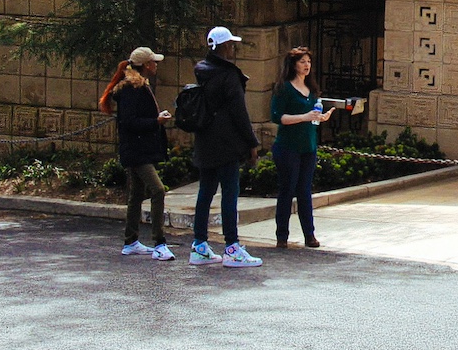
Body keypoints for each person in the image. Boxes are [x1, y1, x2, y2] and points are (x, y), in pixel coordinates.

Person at [189, 26, 263, 268]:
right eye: (230, 44)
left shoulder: (203, 71)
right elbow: (239, 113)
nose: (232, 48)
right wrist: (251, 143)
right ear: (222, 46)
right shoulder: (229, 75)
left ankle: (199, 245)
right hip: (227, 143)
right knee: (230, 194)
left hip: (206, 141)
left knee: (205, 193)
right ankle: (232, 247)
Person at [99, 46, 174, 261]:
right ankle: (159, 243)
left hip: (137, 148)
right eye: (153, 62)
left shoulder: (137, 85)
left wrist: (155, 119)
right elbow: (129, 122)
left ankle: (130, 241)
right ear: (145, 65)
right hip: (135, 150)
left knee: (137, 195)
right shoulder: (133, 87)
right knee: (158, 190)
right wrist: (156, 122)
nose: (156, 65)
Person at [271, 46, 335, 249]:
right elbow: (277, 117)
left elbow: (313, 115)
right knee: (287, 191)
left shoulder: (312, 89)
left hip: (308, 146)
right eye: (302, 62)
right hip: (288, 146)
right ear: (293, 65)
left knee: (305, 191)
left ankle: (310, 234)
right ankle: (282, 235)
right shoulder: (284, 88)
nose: (306, 65)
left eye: (308, 62)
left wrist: (320, 118)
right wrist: (304, 117)